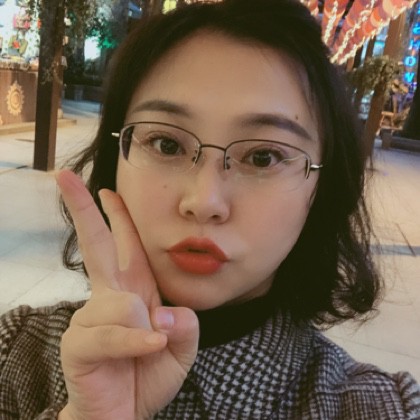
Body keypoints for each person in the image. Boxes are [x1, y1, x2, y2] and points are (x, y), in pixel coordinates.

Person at [1, 0, 420, 418]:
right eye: (167, 144)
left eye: (263, 157)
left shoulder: (378, 408)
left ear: (321, 187)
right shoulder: (16, 352)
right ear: (116, 160)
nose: (204, 203)